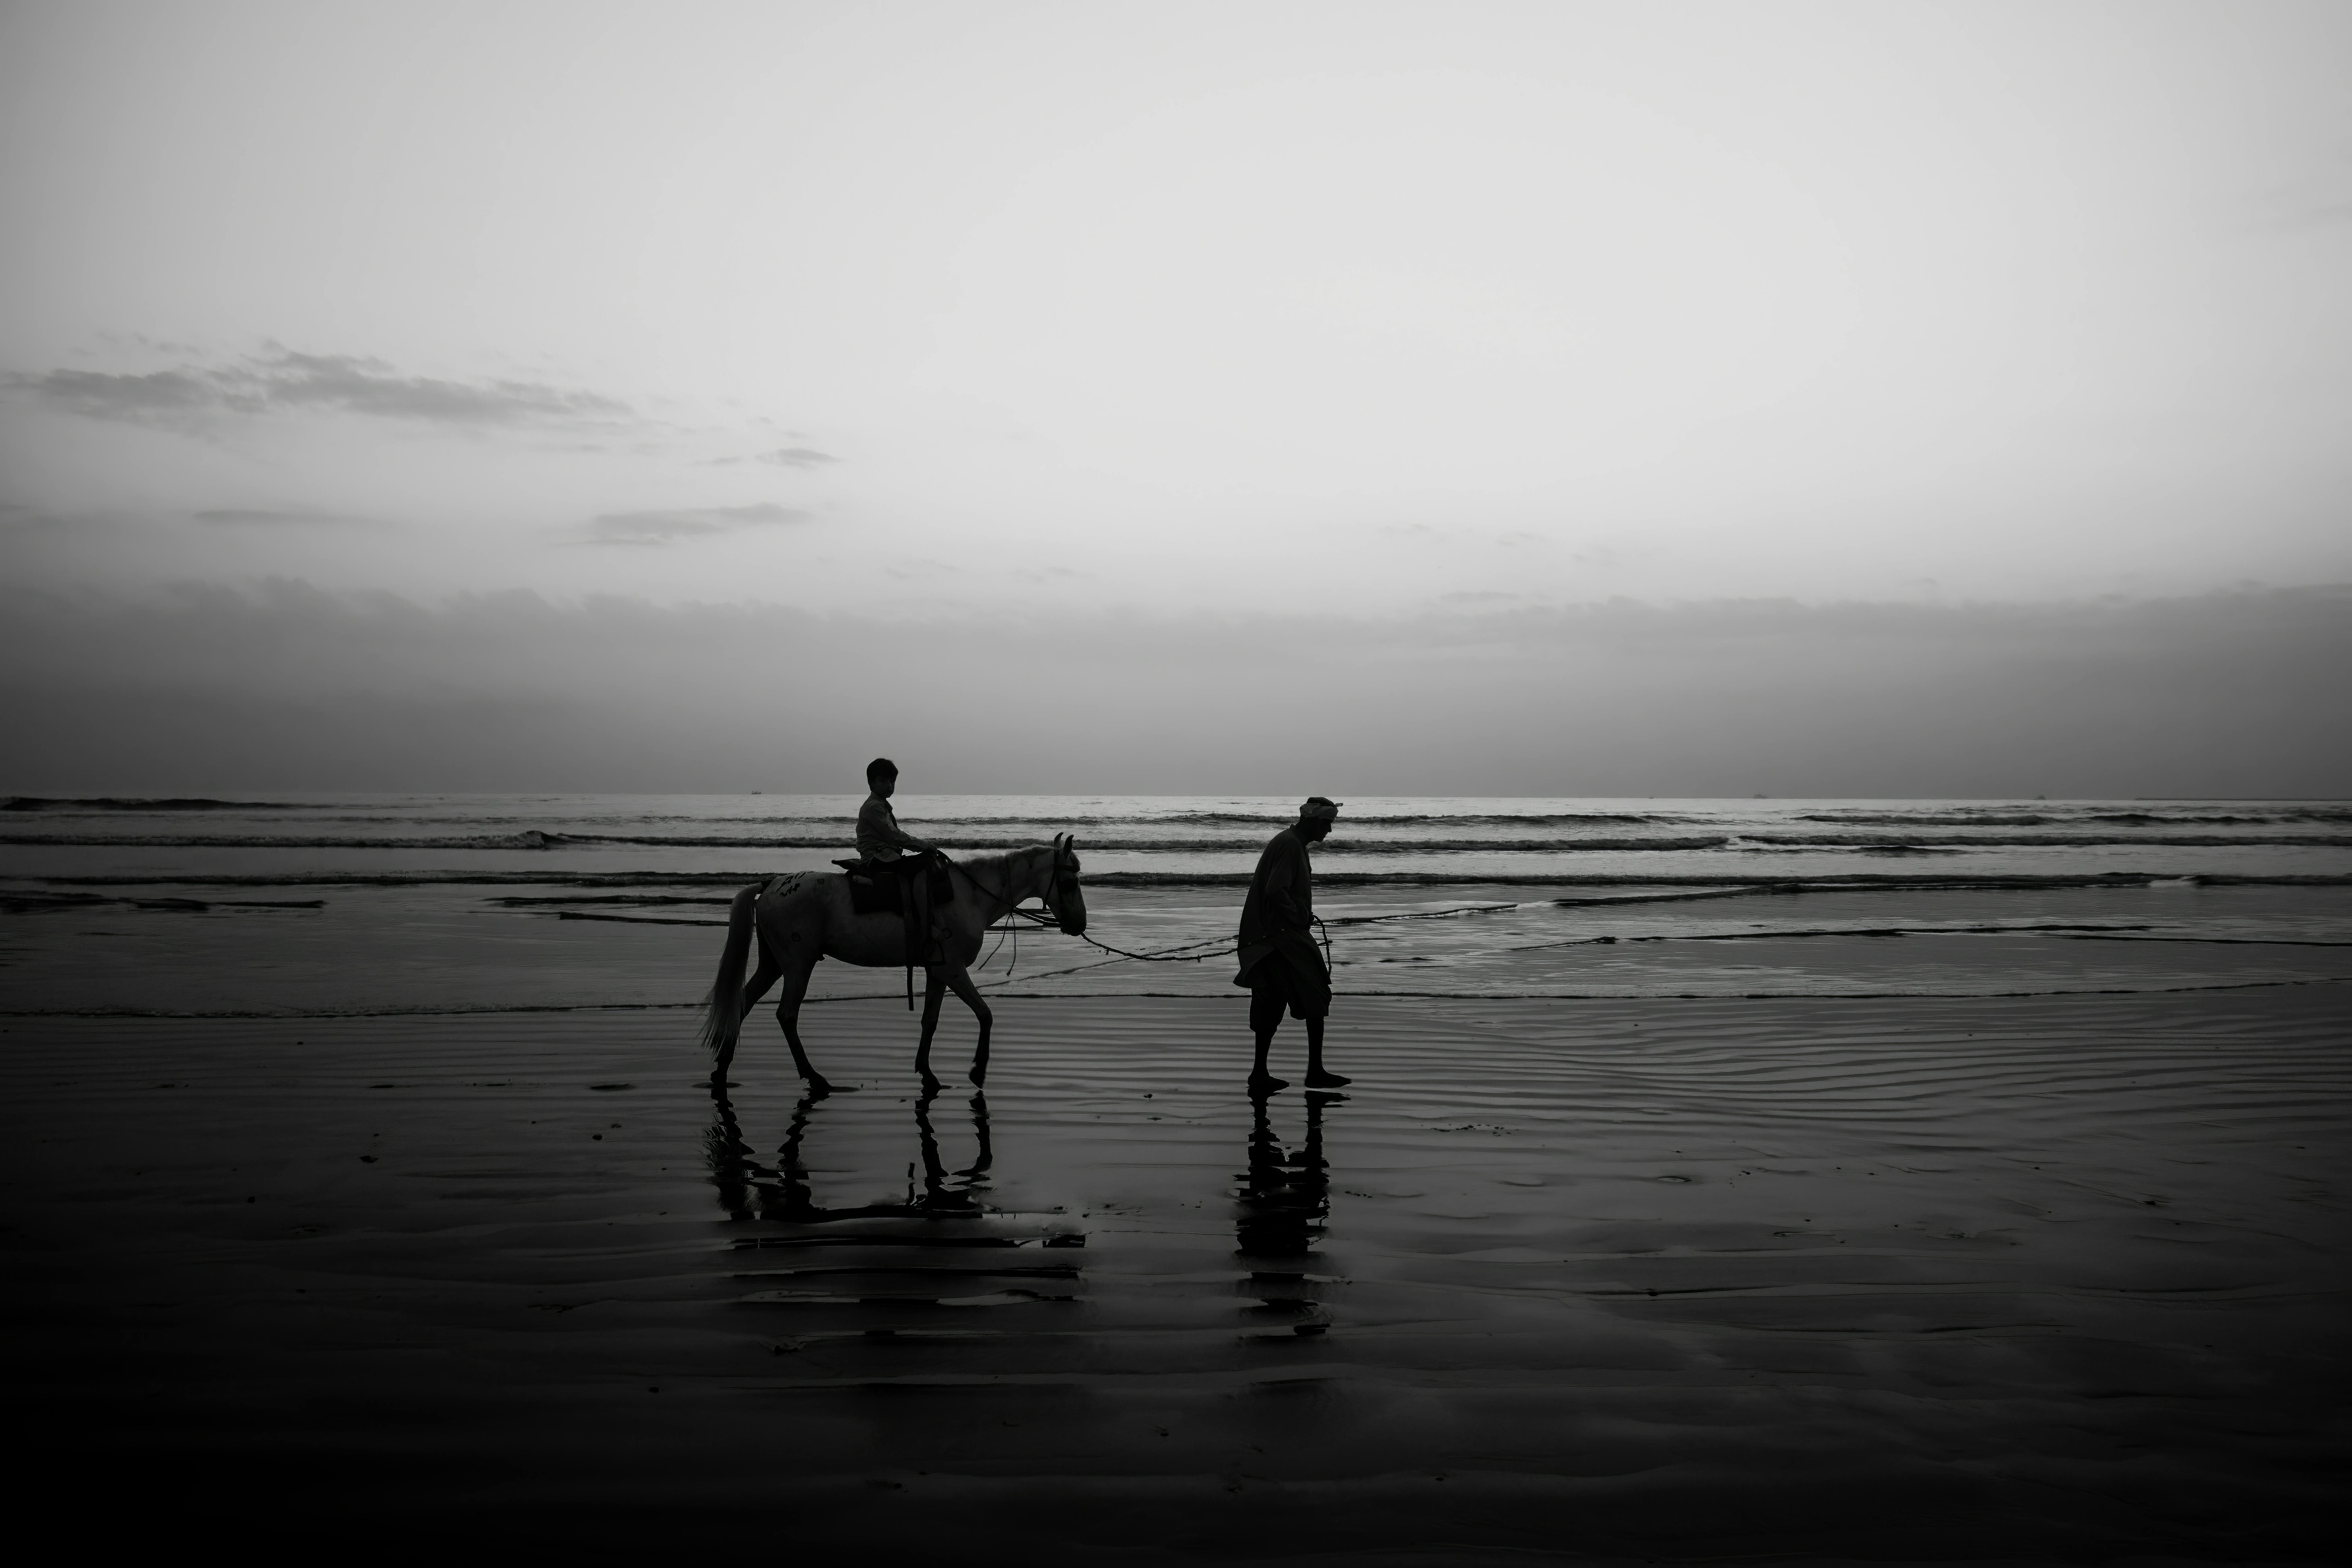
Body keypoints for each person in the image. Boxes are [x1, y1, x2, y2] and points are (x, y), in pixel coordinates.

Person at [1234, 796, 1348, 1092]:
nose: (1329, 831)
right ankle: (1314, 1072)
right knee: (1316, 993)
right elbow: (1275, 892)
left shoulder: (1289, 842)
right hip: (1281, 936)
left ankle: (1260, 1074)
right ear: (1312, 821)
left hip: (1268, 936)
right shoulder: (1290, 845)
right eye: (1327, 824)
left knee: (1268, 1002)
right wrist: (1300, 914)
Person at [854, 757, 942, 965]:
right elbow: (894, 836)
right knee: (921, 869)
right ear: (872, 783)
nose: (890, 786)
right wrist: (924, 846)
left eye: (893, 781)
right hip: (877, 856)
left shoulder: (881, 805)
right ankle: (925, 925)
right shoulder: (874, 807)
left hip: (886, 854)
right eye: (884, 781)